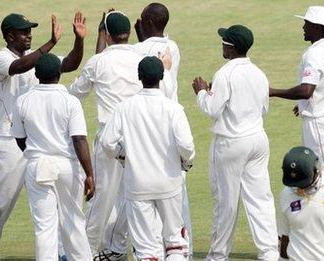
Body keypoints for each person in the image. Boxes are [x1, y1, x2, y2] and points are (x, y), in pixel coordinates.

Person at [0, 12, 86, 260]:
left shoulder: (39, 56)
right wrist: (50, 43)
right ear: (9, 36)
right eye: (24, 32)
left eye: (30, 31)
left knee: (54, 196)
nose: (28, 35)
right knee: (3, 199)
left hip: (38, 141)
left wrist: (78, 40)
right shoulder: (1, 58)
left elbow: (69, 64)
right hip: (9, 138)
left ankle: (59, 248)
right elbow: (19, 67)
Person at [69, 11, 173, 259]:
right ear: (128, 33)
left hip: (109, 137)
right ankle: (117, 247)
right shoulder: (143, 56)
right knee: (134, 194)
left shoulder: (98, 62)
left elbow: (75, 93)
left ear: (106, 34)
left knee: (102, 196)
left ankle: (89, 250)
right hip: (140, 135)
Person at [192, 24, 279, 260]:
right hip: (258, 140)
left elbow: (211, 109)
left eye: (224, 42)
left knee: (226, 201)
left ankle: (218, 255)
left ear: (229, 47)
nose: (222, 45)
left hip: (232, 142)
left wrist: (201, 91)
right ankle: (270, 252)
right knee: (260, 197)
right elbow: (263, 108)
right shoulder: (259, 73)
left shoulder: (225, 73)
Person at [99, 56, 195, 261]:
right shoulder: (173, 109)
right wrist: (186, 162)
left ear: (139, 77)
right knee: (175, 243)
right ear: (161, 77)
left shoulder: (125, 107)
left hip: (138, 185)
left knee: (147, 250)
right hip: (169, 183)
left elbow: (107, 143)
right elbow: (186, 146)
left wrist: (121, 155)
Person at [10, 53, 94, 260]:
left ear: (36, 74)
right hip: (67, 166)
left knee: (44, 227)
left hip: (38, 165)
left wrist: (35, 153)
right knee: (73, 221)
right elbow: (79, 139)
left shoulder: (23, 100)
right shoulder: (70, 101)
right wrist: (90, 174)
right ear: (59, 73)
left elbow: (21, 139)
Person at [269, 6, 324, 179]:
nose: (303, 27)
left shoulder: (314, 54)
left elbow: (306, 90)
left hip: (320, 123)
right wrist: (311, 103)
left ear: (317, 27)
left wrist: (273, 92)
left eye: (306, 23)